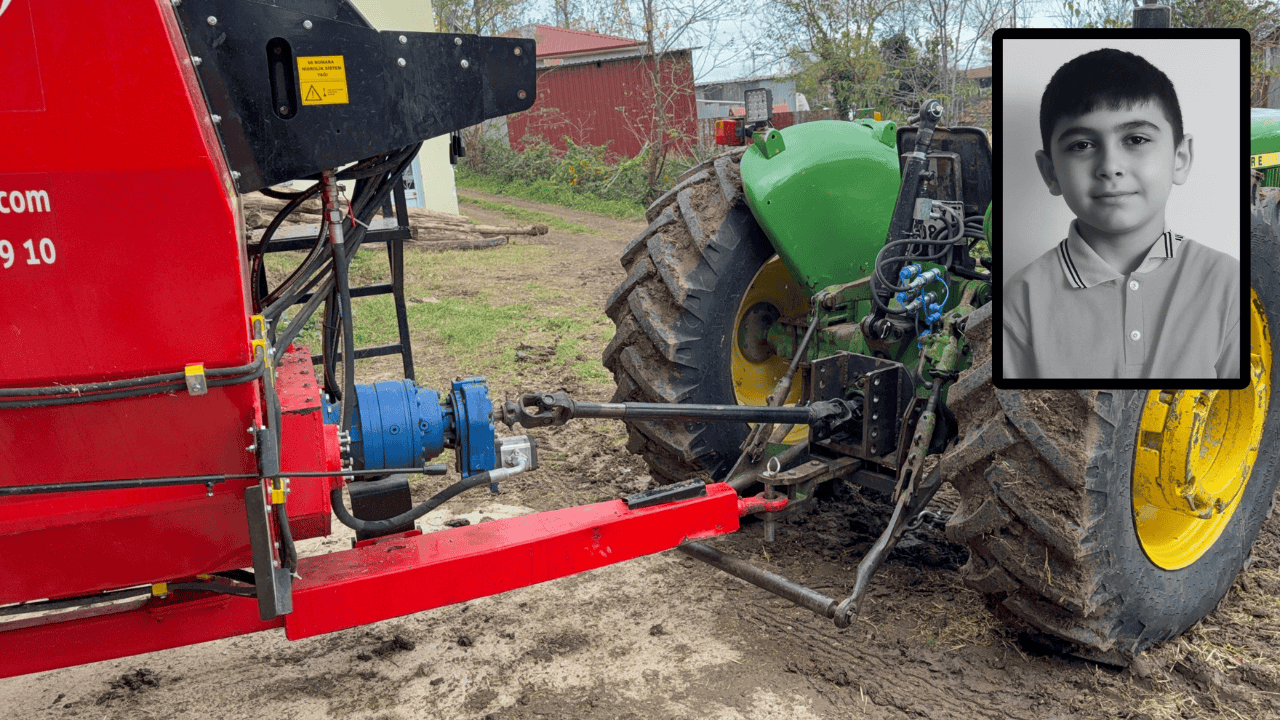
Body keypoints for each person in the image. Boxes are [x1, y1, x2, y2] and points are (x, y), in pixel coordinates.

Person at [1003, 47, 1239, 379]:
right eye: (1082, 145)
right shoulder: (1021, 298)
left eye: (1136, 139)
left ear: (1180, 158)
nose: (1111, 167)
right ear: (1051, 172)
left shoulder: (1229, 284)